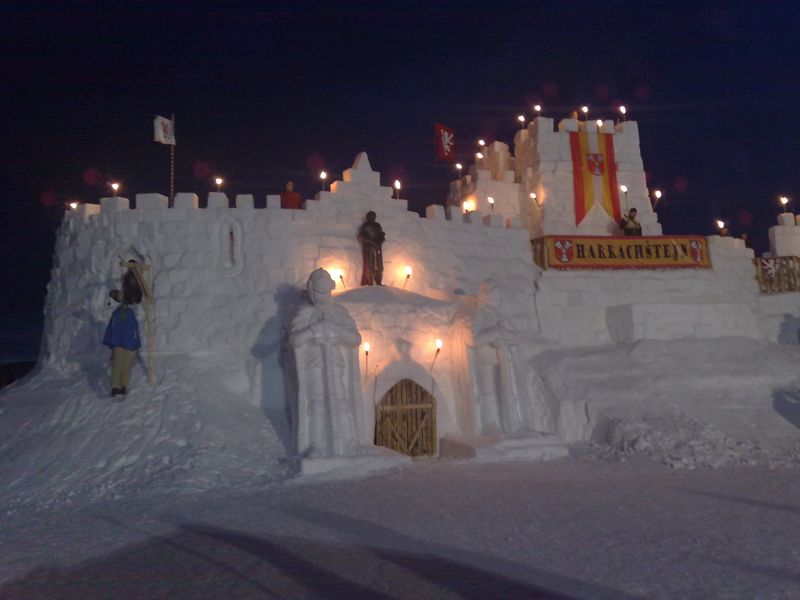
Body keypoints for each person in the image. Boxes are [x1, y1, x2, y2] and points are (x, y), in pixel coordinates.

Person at [288, 268, 364, 457]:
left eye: (326, 291)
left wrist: (337, 331)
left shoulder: (340, 312)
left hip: (335, 363)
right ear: (310, 290)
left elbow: (355, 339)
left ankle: (351, 443)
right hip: (314, 365)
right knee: (317, 404)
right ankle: (317, 445)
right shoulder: (305, 313)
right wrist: (314, 330)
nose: (322, 295)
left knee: (341, 403)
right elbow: (295, 340)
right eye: (318, 291)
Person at [103, 290, 141, 397]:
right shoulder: (116, 313)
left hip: (127, 343)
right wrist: (111, 341)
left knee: (126, 365)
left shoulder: (130, 313)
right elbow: (112, 327)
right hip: (119, 344)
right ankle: (115, 387)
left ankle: (123, 386)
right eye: (119, 297)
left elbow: (134, 328)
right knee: (117, 365)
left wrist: (136, 342)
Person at [358, 211, 385, 286]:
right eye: (370, 216)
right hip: (369, 248)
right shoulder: (365, 225)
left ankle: (379, 282)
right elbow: (361, 236)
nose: (372, 217)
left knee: (379, 266)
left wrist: (380, 241)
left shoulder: (377, 225)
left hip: (377, 248)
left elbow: (381, 235)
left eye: (373, 216)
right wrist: (369, 241)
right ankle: (370, 283)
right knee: (370, 266)